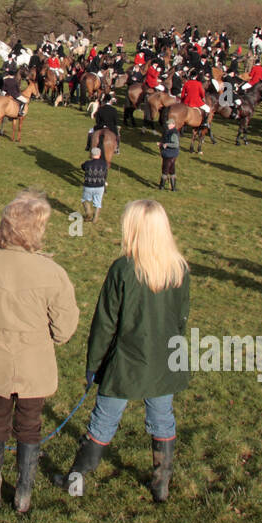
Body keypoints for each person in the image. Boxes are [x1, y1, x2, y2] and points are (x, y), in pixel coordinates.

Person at [54, 200, 190, 503]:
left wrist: (94, 365)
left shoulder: (123, 269)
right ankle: (161, 484)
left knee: (104, 420)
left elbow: (105, 323)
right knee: (162, 417)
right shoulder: (178, 268)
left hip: (127, 361)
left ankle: (75, 480)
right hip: (165, 359)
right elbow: (182, 319)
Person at [0, 191, 78, 513]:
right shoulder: (53, 273)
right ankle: (22, 497)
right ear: (37, 230)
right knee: (29, 425)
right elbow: (65, 330)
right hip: (35, 365)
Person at [81, 147, 107, 223]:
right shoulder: (104, 164)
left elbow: (82, 167)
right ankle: (95, 218)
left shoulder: (87, 163)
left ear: (91, 154)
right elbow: (105, 173)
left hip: (88, 186)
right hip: (100, 186)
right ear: (100, 154)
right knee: (98, 203)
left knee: (85, 200)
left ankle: (88, 213)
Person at [159, 117, 180, 191]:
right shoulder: (169, 131)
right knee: (172, 170)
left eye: (169, 124)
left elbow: (176, 144)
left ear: (173, 124)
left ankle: (161, 187)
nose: (167, 125)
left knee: (165, 170)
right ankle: (173, 188)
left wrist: (166, 144)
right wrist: (161, 144)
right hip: (170, 154)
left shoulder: (173, 133)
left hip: (170, 154)